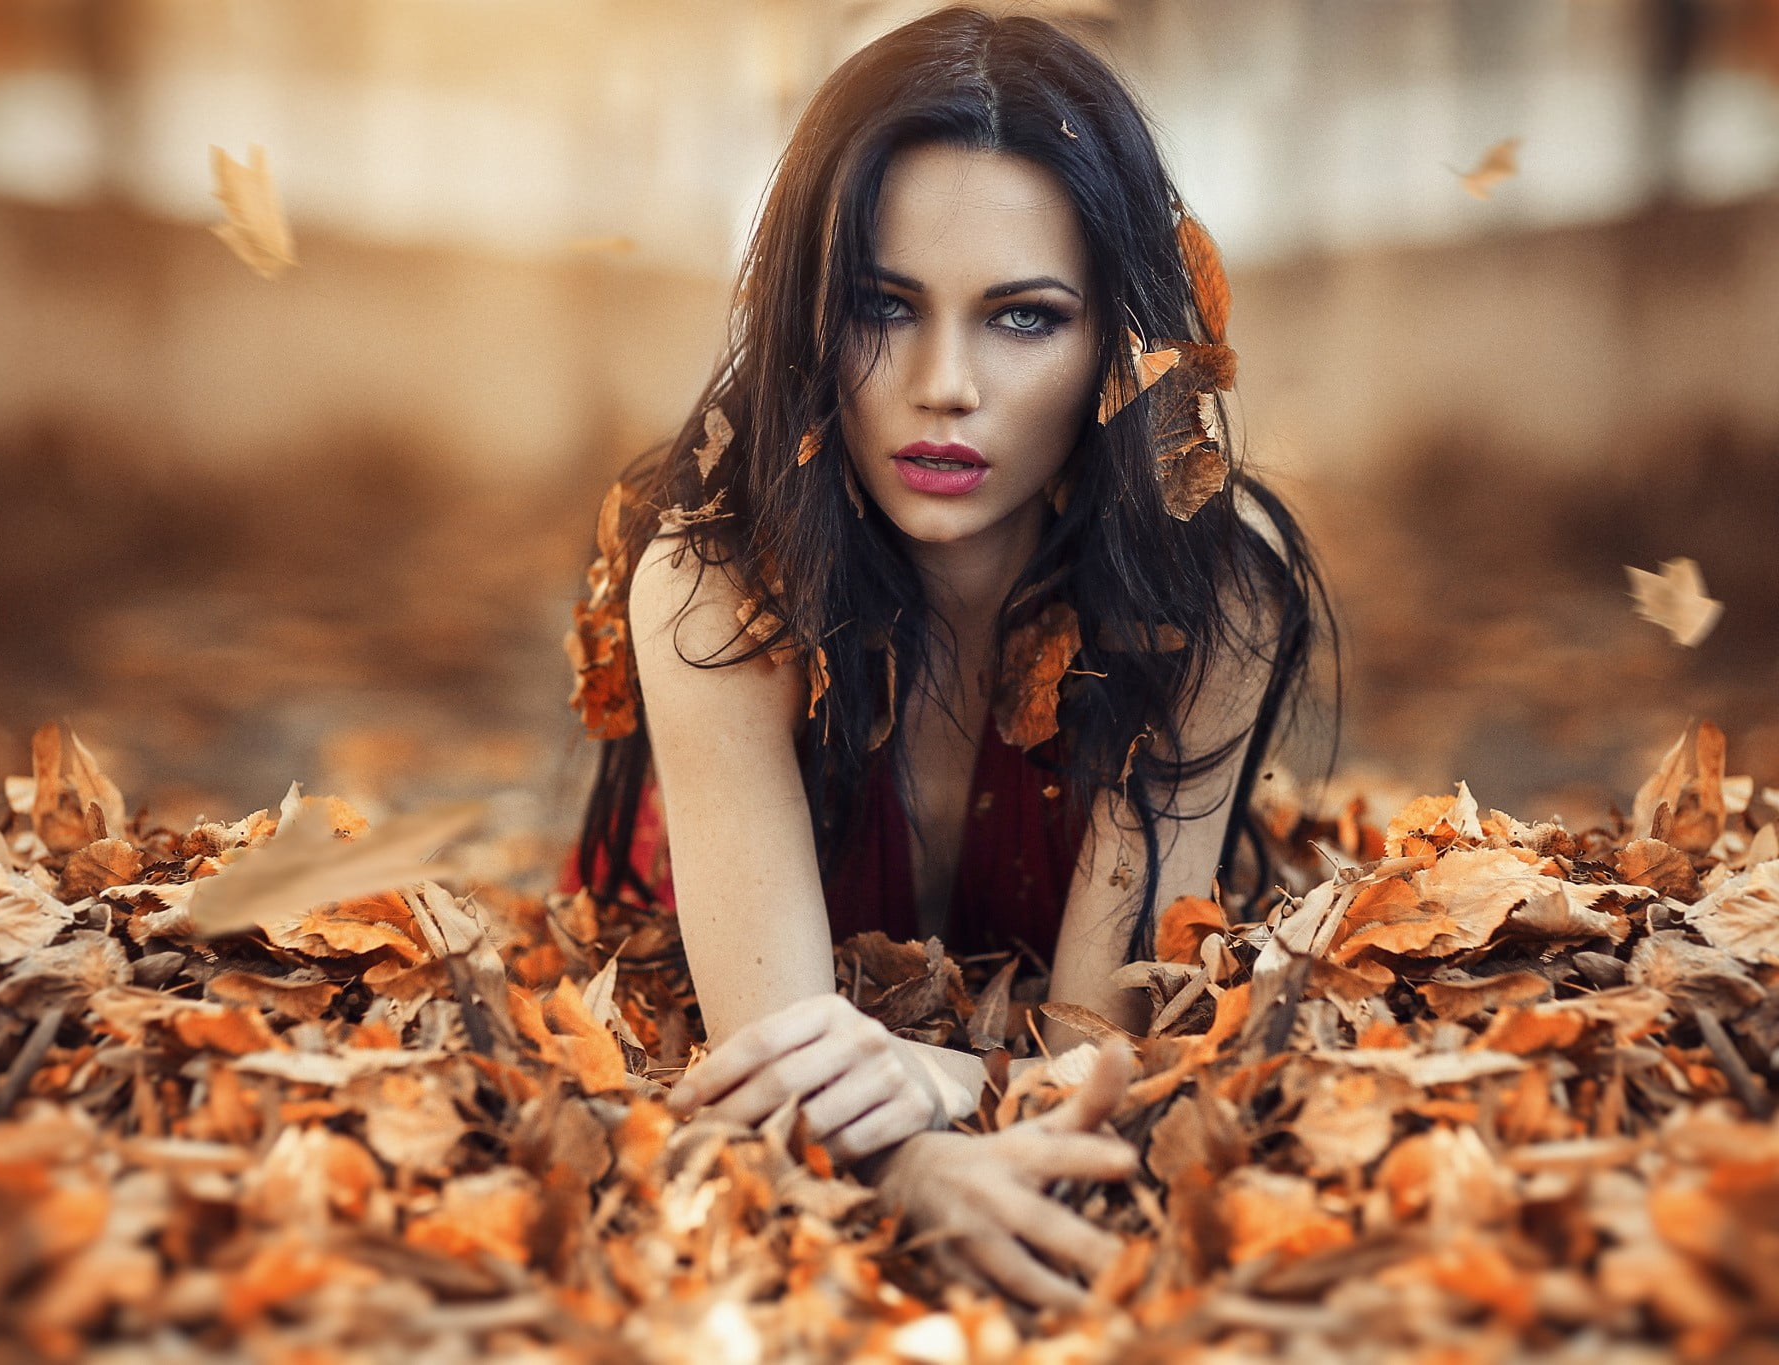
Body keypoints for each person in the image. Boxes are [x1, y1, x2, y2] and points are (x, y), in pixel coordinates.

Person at [557, 5, 1333, 1308]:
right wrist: (910, 1170)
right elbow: (774, 1056)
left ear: (1115, 347)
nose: (945, 384)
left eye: (1023, 318)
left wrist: (951, 1082)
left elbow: (1102, 1046)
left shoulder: (1212, 592)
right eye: (881, 307)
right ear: (809, 319)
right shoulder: (713, 581)